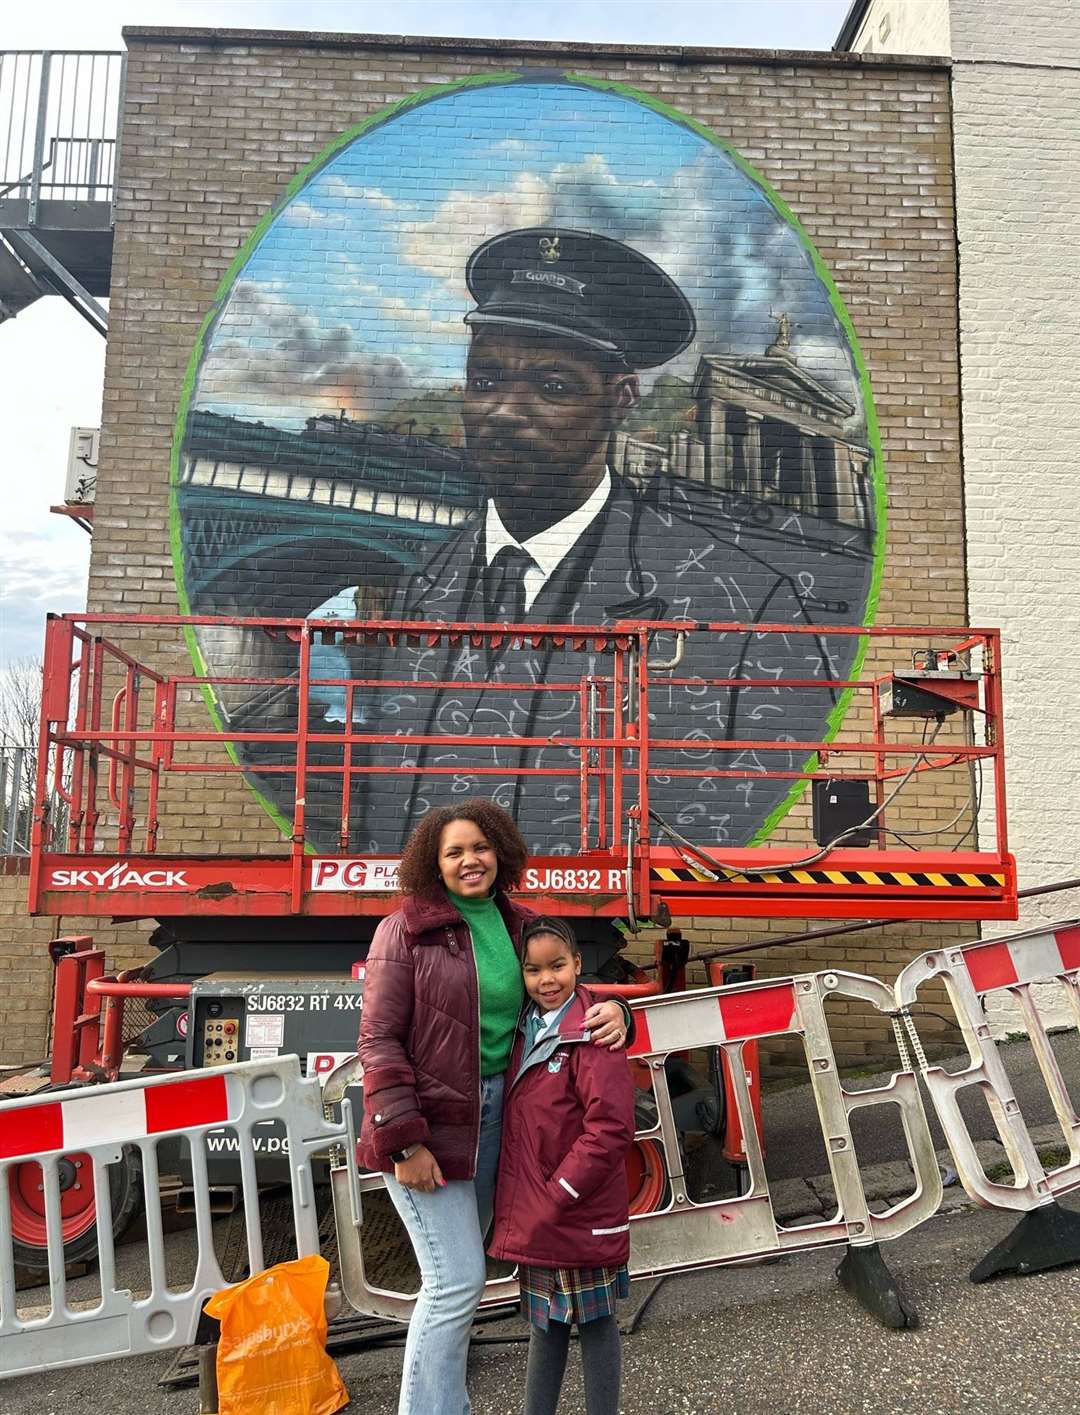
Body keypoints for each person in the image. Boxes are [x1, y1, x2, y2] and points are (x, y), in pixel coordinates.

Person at [361, 227, 868, 853]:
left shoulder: (751, 607)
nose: (503, 411)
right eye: (486, 379)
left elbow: (756, 809)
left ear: (622, 396)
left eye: (552, 388)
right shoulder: (422, 586)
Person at [355, 799, 632, 1415]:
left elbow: (561, 988)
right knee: (455, 1283)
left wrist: (619, 1012)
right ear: (435, 861)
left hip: (497, 1123)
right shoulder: (403, 930)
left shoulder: (519, 922)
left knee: (459, 1282)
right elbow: (377, 1038)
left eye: (479, 847)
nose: (469, 860)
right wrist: (404, 1140)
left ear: (500, 852)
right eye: (454, 851)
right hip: (431, 1127)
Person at [488, 916, 636, 1415]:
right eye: (533, 970)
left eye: (557, 966)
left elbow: (611, 1128)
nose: (546, 980)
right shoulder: (522, 1026)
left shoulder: (595, 1030)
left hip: (575, 1208)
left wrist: (561, 1192)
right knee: (544, 1324)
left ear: (577, 963)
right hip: (541, 1210)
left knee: (596, 1324)